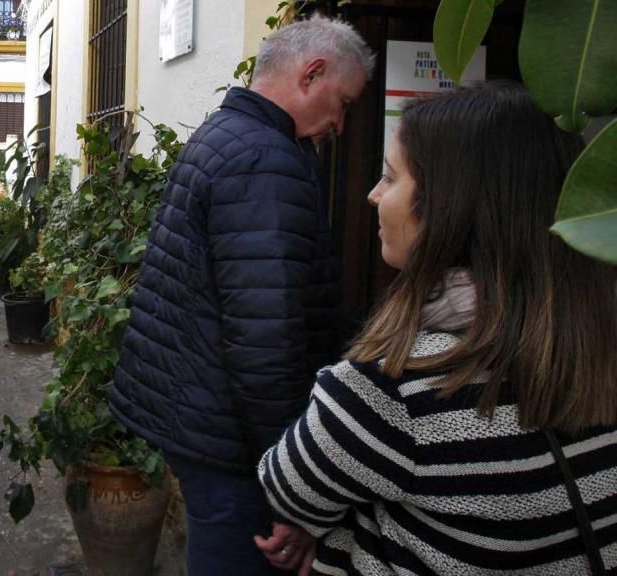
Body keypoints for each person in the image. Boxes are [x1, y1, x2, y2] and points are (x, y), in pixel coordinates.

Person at [258, 83, 617, 575]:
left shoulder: (395, 386)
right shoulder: (599, 346)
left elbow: (287, 489)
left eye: (389, 177)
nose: (373, 195)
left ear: (448, 206)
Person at [109, 16, 373, 575]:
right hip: (235, 445)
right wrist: (291, 488)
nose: (342, 124)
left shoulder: (227, 133)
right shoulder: (263, 159)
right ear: (313, 73)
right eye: (344, 102)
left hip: (207, 425)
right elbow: (265, 342)